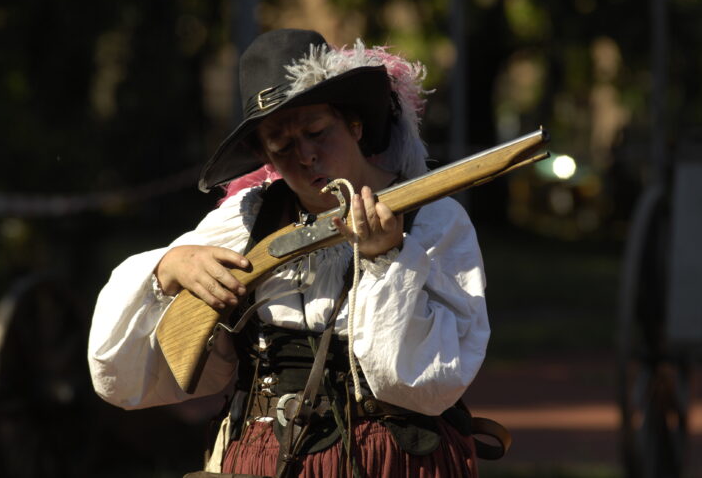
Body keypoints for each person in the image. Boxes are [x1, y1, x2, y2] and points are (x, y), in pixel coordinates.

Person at [88, 28, 490, 477]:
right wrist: (169, 267)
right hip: (263, 456)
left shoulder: (434, 218)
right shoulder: (250, 216)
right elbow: (122, 379)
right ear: (264, 154)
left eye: (317, 132)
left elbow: (428, 385)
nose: (306, 156)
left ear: (354, 124)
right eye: (281, 145)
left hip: (392, 459)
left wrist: (387, 258)